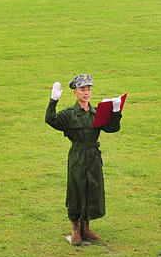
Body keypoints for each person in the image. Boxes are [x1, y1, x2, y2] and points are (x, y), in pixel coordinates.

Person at [45, 73, 122, 245]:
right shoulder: (70, 114)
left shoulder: (97, 112)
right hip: (78, 156)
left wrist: (116, 111)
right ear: (75, 92)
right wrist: (53, 101)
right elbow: (50, 120)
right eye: (82, 90)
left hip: (93, 156)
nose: (86, 93)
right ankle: (75, 229)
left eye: (88, 89)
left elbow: (111, 128)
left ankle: (86, 228)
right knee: (76, 190)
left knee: (92, 189)